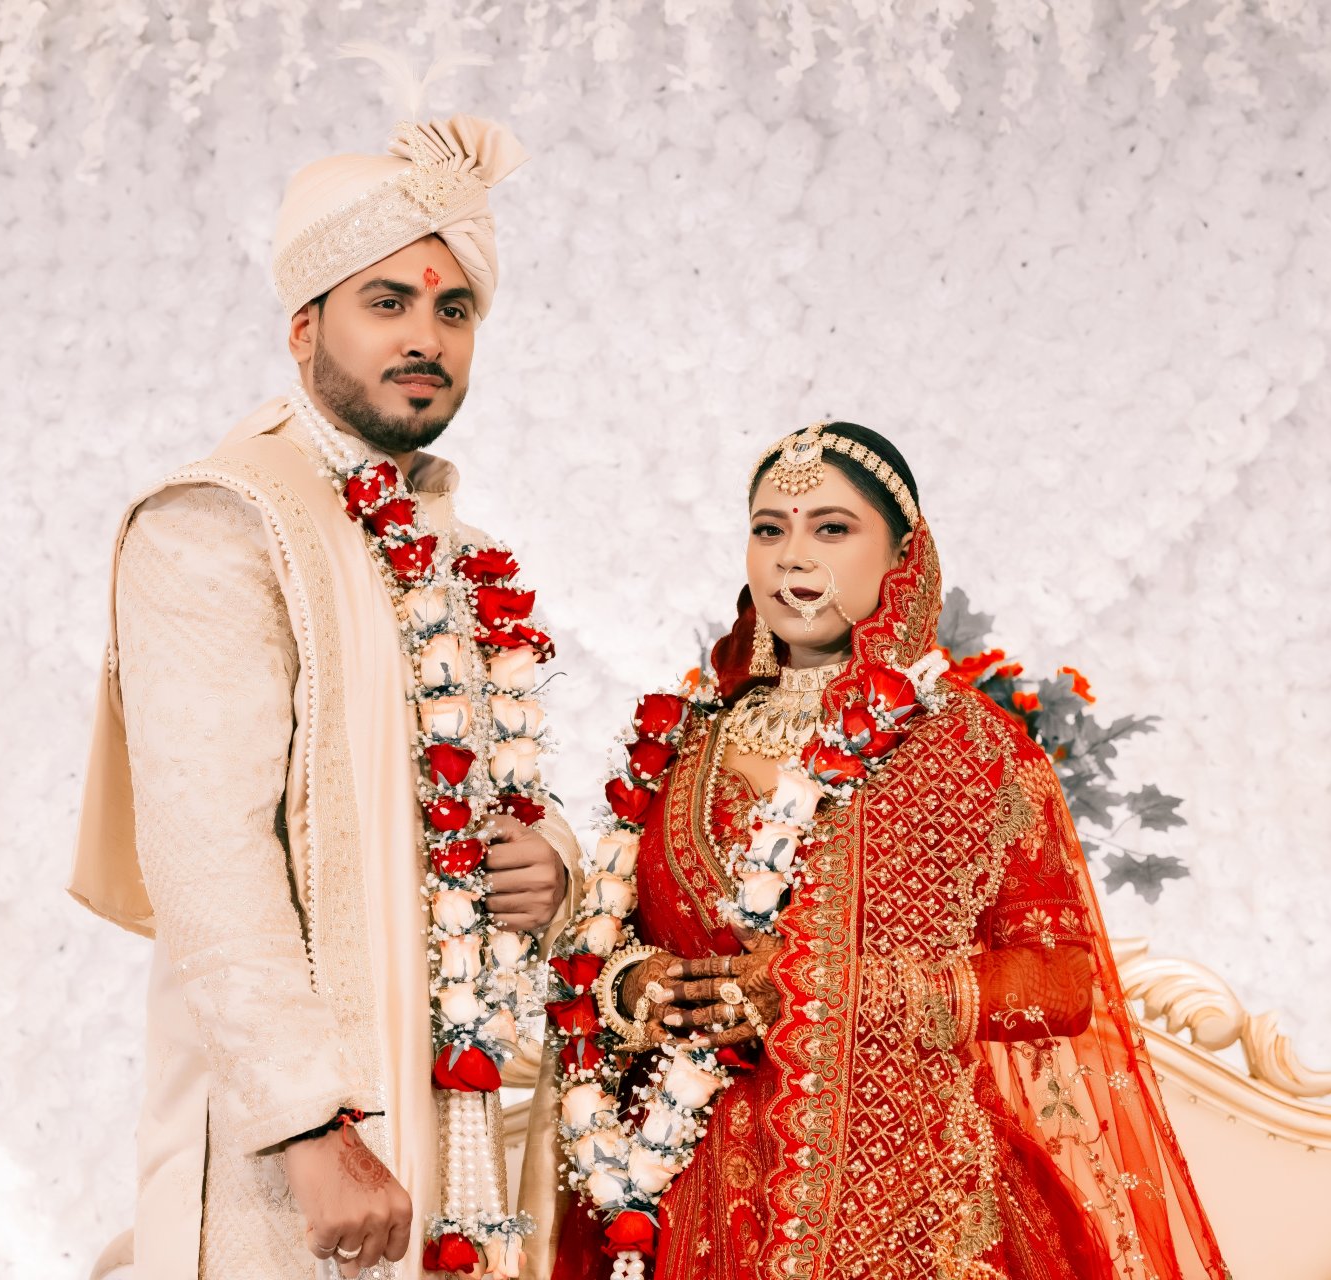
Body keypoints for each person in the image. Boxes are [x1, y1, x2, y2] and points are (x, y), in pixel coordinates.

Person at [69, 109, 581, 1280]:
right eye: (387, 302)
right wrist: (311, 1127)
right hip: (302, 1148)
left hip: (458, 1122)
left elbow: (467, 798)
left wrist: (550, 860)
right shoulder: (220, 521)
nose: (426, 337)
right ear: (304, 327)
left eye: (455, 310)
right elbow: (207, 851)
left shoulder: (454, 550)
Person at [542, 422, 1228, 1279]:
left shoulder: (975, 749)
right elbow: (601, 958)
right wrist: (636, 987)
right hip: (684, 1196)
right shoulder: (678, 747)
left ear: (903, 555)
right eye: (769, 529)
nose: (794, 557)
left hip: (917, 1198)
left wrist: (823, 992)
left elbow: (1058, 982)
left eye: (832, 528)